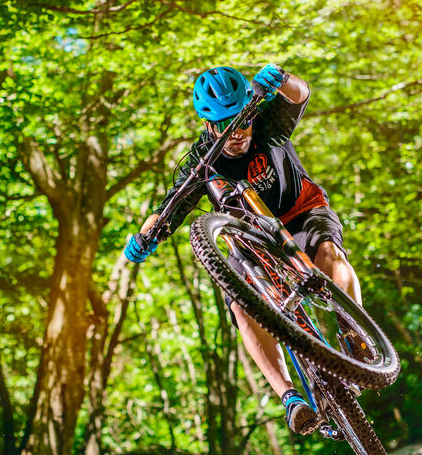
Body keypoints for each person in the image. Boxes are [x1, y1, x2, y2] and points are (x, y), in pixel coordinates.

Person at [123, 64, 363, 435]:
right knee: (241, 303)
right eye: (223, 124)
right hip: (250, 240)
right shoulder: (202, 163)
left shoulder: (267, 121)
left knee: (328, 253)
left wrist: (282, 78)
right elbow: (167, 209)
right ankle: (291, 400)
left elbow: (300, 94)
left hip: (300, 212)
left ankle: (356, 333)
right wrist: (142, 239)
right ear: (207, 125)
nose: (235, 131)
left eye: (240, 119)